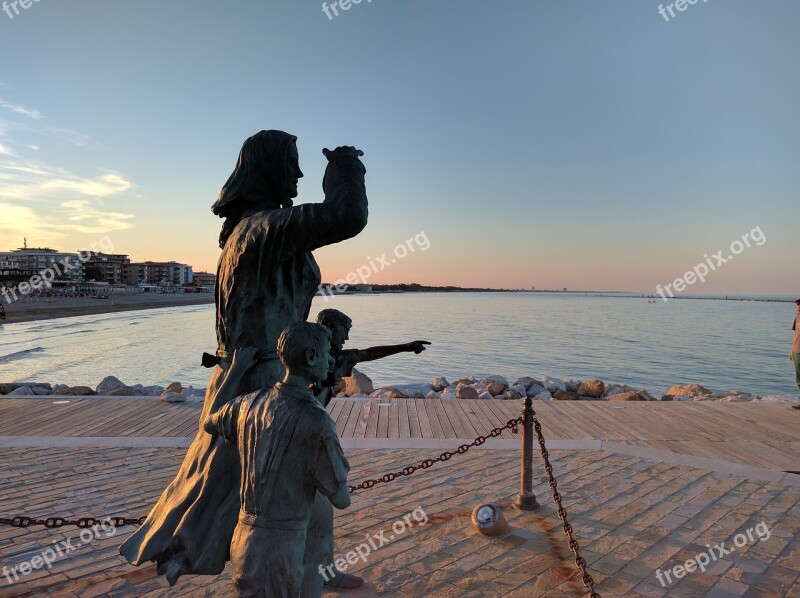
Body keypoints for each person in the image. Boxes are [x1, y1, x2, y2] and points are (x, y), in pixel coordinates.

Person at [120, 131, 368, 584]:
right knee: (260, 495)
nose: (299, 173)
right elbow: (346, 215)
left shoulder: (256, 230)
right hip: (258, 380)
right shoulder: (260, 229)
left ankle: (317, 567)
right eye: (291, 163)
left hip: (272, 371)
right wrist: (347, 167)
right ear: (267, 168)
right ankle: (268, 575)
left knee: (303, 480)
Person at [204, 323, 349, 597]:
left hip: (243, 540)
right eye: (327, 353)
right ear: (310, 357)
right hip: (282, 550)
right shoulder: (318, 422)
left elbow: (209, 421)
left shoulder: (247, 404)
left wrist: (235, 371)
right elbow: (342, 499)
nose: (331, 360)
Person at [313, 308, 431, 407]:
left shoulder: (335, 356)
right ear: (331, 327)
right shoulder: (308, 354)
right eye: (345, 331)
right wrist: (319, 383)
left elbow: (368, 354)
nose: (347, 338)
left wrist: (405, 347)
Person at [791, 299, 800, 393]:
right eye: (797, 304)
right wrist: (792, 351)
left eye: (799, 304)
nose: (798, 306)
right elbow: (796, 334)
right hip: (796, 351)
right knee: (799, 378)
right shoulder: (797, 316)